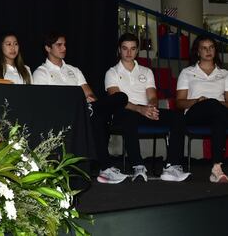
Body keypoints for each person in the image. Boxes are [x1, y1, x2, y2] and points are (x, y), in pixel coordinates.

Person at [32, 31, 129, 184]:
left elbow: (89, 94)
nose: (64, 48)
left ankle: (105, 169)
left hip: (85, 110)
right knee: (97, 117)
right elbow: (45, 102)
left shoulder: (73, 70)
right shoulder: (41, 73)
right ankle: (105, 168)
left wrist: (90, 103)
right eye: (59, 45)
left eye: (65, 44)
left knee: (119, 98)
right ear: (48, 48)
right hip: (63, 115)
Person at [106, 33, 190, 182]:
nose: (128, 52)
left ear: (137, 51)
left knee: (177, 117)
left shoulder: (146, 71)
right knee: (129, 116)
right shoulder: (111, 72)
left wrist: (151, 107)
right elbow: (117, 100)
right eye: (125, 48)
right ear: (119, 50)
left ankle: (171, 166)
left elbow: (152, 96)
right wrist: (140, 109)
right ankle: (137, 166)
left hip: (144, 112)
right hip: (123, 113)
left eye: (132, 49)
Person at [176, 34, 228, 183]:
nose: (208, 51)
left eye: (211, 47)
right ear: (198, 52)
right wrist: (197, 101)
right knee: (212, 106)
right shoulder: (187, 72)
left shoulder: (224, 74)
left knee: (217, 114)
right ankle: (216, 168)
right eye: (204, 48)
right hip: (195, 114)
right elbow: (179, 103)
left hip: (219, 114)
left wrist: (215, 103)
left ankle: (216, 168)